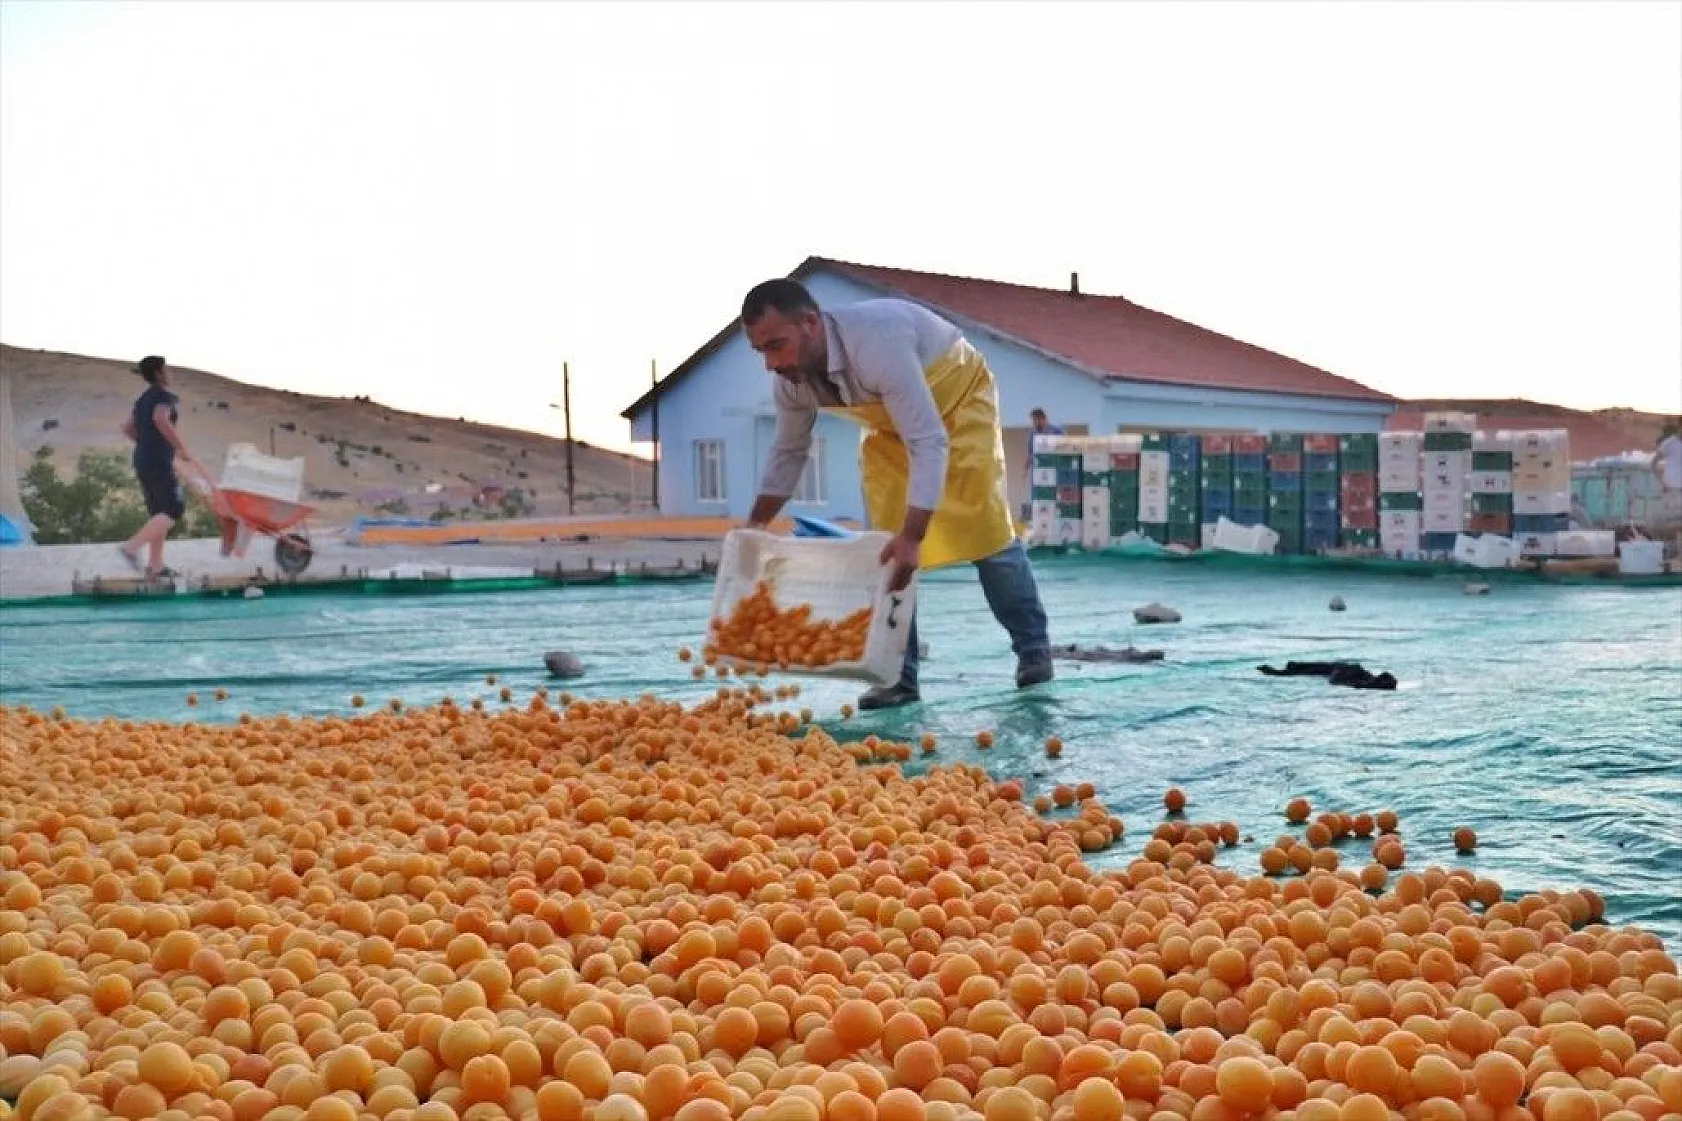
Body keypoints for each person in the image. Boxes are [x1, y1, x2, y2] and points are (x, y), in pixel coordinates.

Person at [739, 278, 1053, 710]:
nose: (771, 363)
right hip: (890, 431)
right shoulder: (791, 382)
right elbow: (789, 453)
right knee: (885, 554)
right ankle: (897, 678)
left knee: (987, 534)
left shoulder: (878, 344)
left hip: (958, 405)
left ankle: (1033, 650)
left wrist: (914, 537)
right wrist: (753, 529)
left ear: (810, 323)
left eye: (777, 345)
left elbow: (928, 440)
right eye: (762, 351)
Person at [118, 355, 208, 577]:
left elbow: (128, 428)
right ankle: (131, 548)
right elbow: (161, 420)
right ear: (159, 373)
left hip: (143, 459)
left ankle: (156, 566)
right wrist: (181, 448)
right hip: (158, 461)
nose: (170, 373)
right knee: (172, 509)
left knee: (159, 512)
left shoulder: (142, 400)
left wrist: (149, 443)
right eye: (167, 369)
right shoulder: (164, 397)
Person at [1022, 407, 1064, 520]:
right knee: (1039, 498)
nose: (1034, 423)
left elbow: (1064, 448)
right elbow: (1030, 453)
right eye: (1033, 420)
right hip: (1038, 472)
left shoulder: (1056, 431)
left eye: (1036, 420)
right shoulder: (1033, 434)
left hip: (1055, 469)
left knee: (1055, 497)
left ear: (1044, 419)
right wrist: (1026, 469)